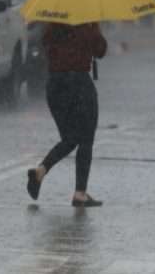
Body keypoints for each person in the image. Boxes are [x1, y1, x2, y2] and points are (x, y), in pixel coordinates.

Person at [26, 22, 107, 207]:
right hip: (78, 84)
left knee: (70, 138)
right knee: (86, 138)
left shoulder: (53, 22)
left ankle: (40, 171)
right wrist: (95, 30)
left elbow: (45, 43)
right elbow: (100, 50)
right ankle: (80, 193)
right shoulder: (87, 20)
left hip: (55, 85)